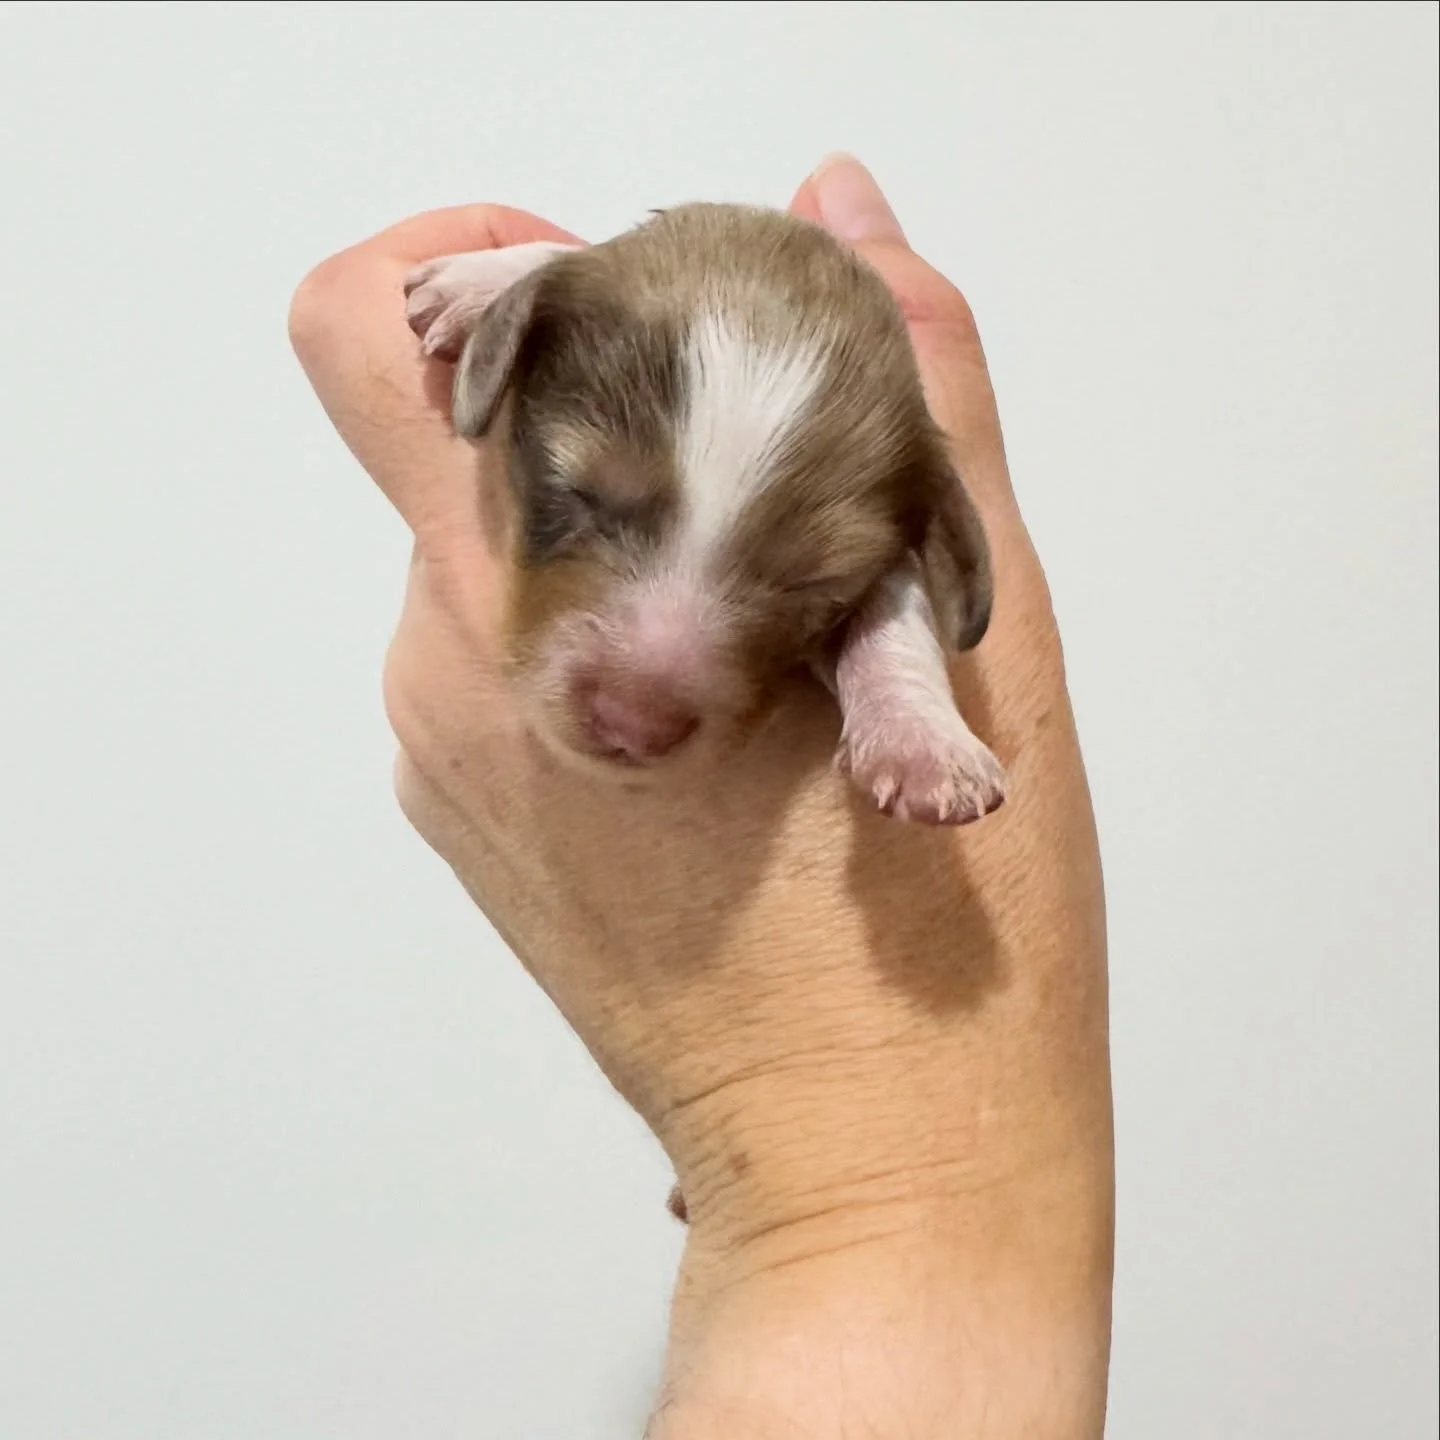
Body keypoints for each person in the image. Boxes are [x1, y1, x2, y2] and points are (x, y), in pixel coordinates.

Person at [288, 154, 1114, 1439]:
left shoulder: (878, 502)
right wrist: (529, 285)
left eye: (798, 584)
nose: (642, 693)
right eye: (583, 500)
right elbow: (573, 290)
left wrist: (903, 697)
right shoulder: (575, 302)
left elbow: (904, 595)